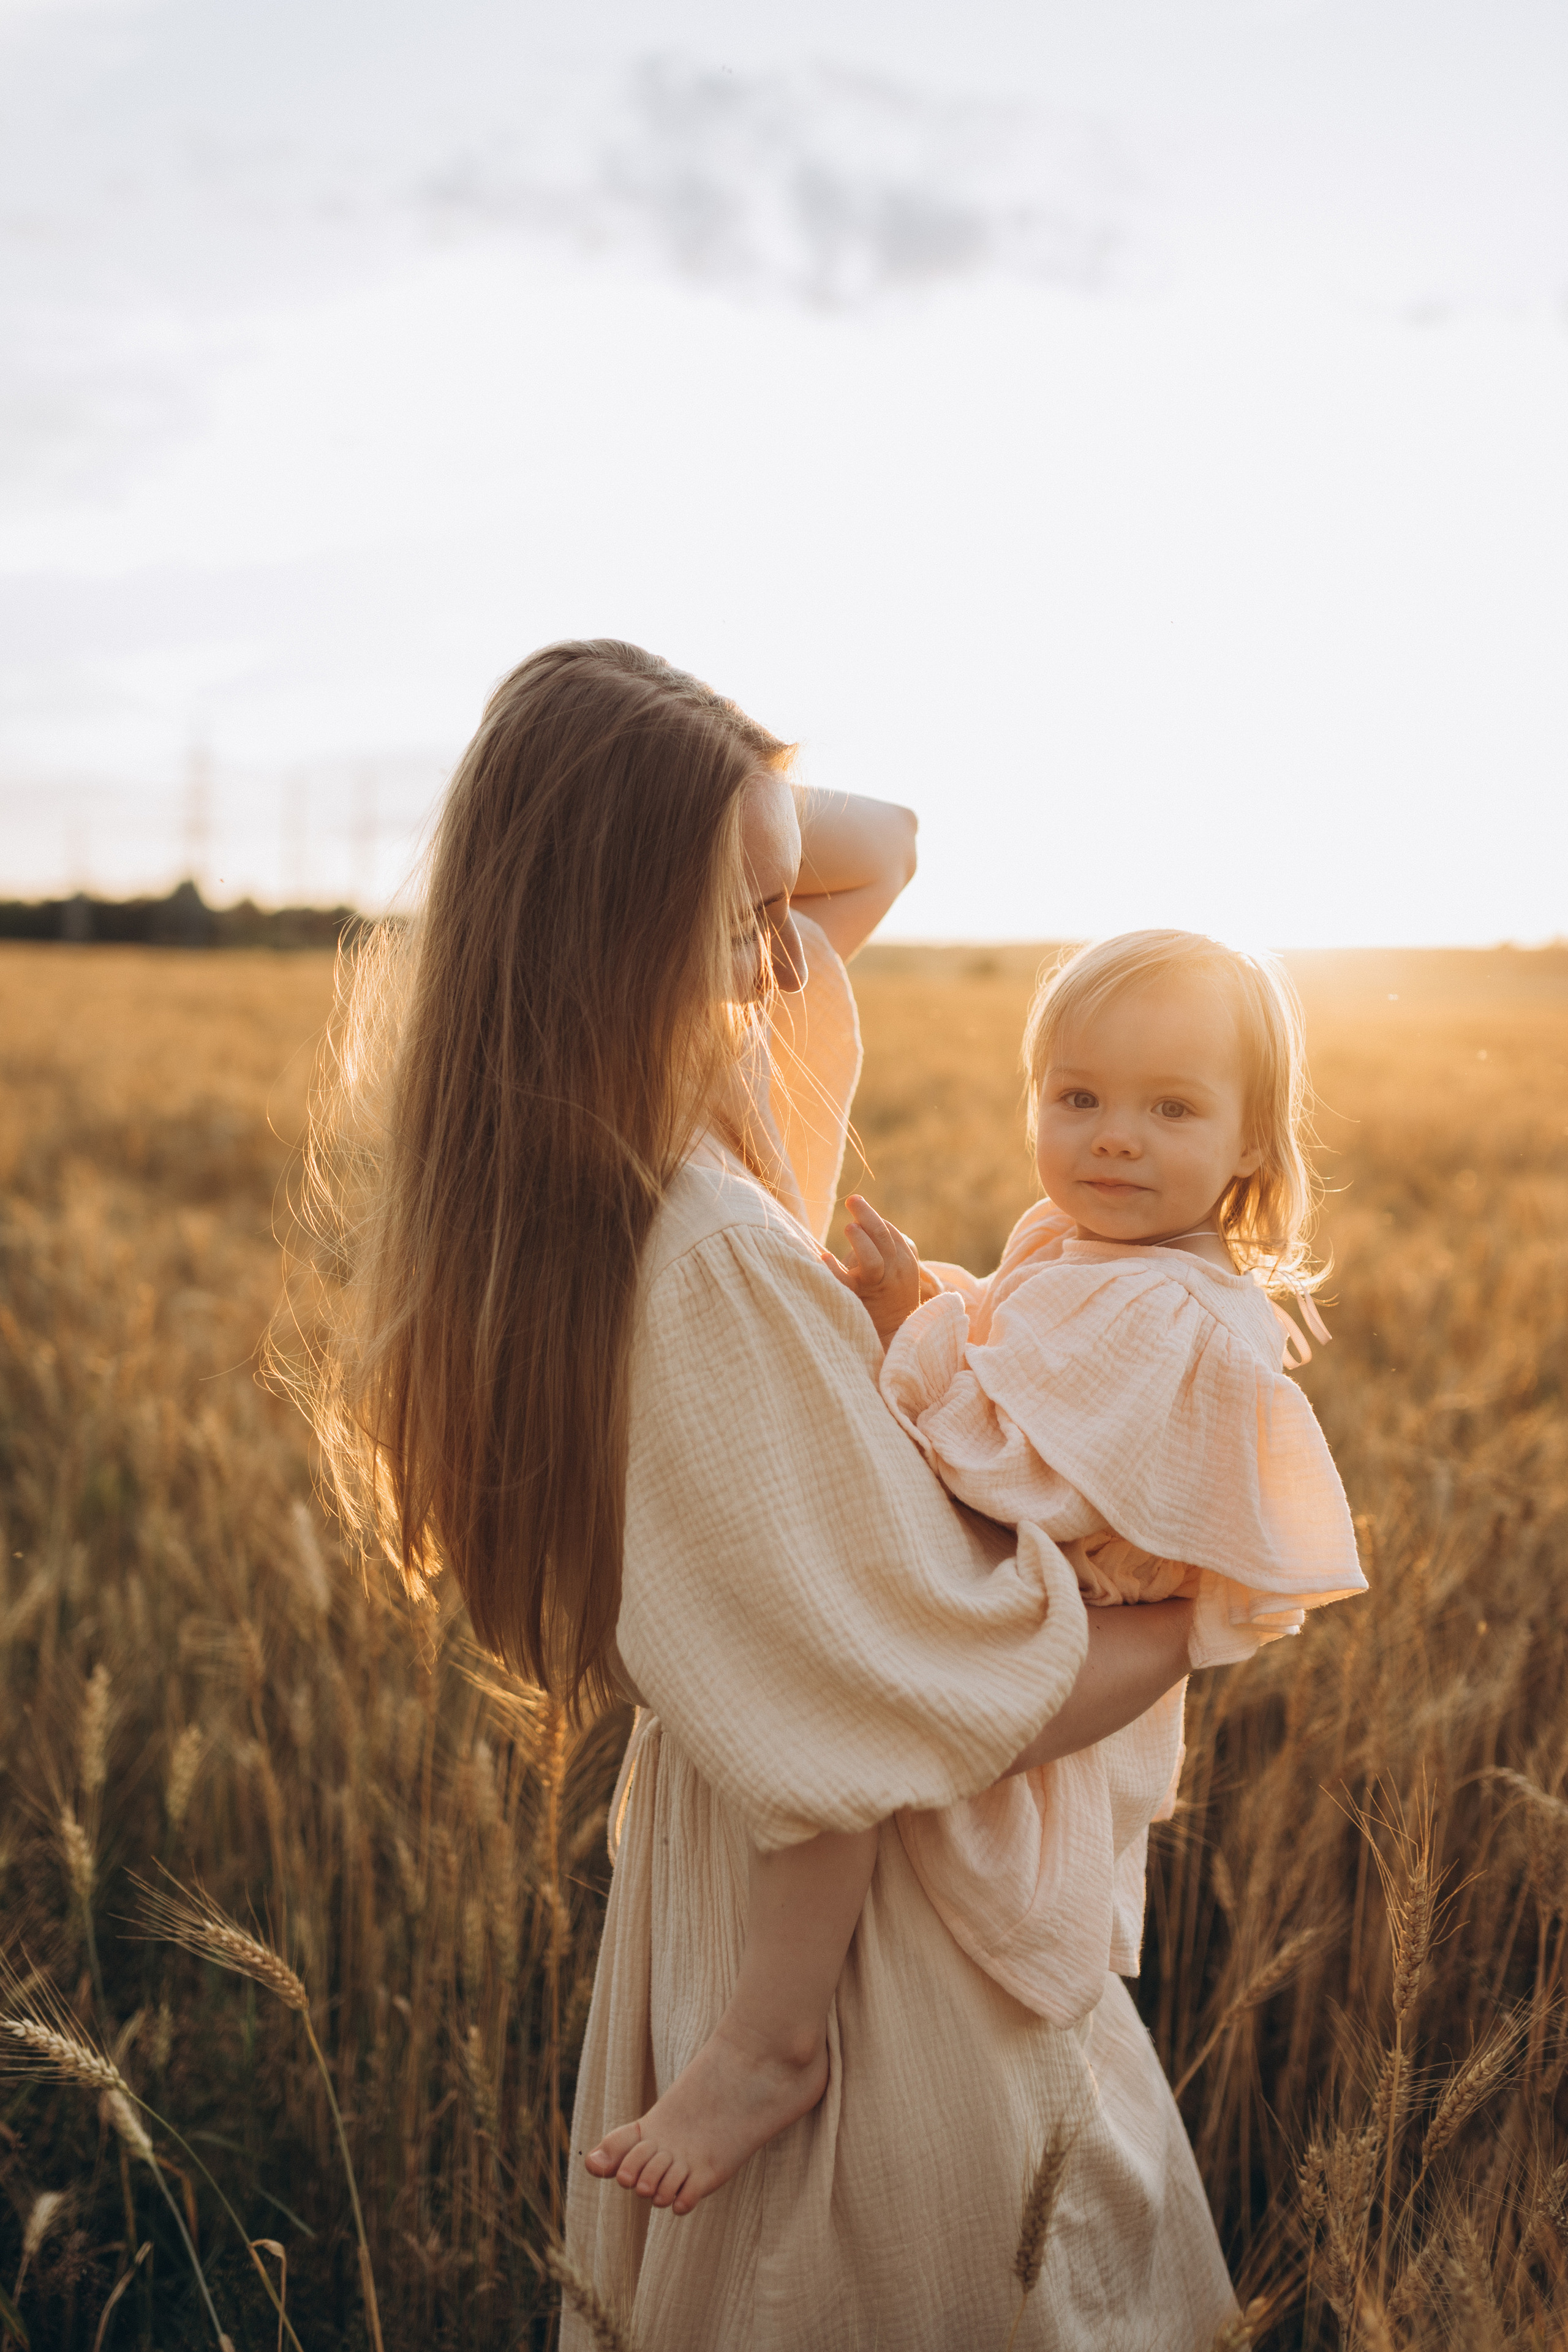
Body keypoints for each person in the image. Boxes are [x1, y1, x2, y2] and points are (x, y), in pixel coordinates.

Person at [311, 641, 1238, 2351]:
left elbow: (879, 841)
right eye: (738, 908)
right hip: (869, 1961)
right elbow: (911, 1688)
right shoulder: (719, 1244)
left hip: (737, 1875)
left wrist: (694, 798)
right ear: (623, 914)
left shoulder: (613, 1148)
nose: (781, 951)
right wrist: (1196, 1618)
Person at [590, 927, 1366, 2217]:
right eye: (1076, 1098)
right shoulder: (1089, 1248)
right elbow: (1020, 1360)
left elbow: (1030, 1473)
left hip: (1053, 1619)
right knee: (839, 1706)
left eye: (1169, 1108)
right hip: (1018, 1590)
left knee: (833, 1728)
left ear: (1250, 1142)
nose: (1112, 1137)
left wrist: (903, 1328)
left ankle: (771, 2041)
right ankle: (774, 2033)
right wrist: (935, 1318)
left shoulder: (1177, 1314)